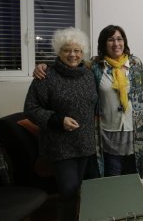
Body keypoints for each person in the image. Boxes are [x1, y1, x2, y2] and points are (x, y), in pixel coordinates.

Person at [32, 25, 143, 178]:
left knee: (137, 176)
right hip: (108, 132)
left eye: (119, 39)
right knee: (113, 178)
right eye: (110, 40)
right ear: (103, 44)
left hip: (136, 132)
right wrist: (43, 67)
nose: (116, 44)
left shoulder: (136, 63)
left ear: (124, 41)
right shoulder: (94, 65)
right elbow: (70, 64)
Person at [24, 27, 98, 221]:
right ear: (59, 51)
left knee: (87, 192)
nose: (72, 54)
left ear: (83, 53)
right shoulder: (46, 76)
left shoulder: (89, 74)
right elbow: (31, 108)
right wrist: (58, 120)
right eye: (67, 50)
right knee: (68, 193)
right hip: (60, 146)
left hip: (86, 144)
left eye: (77, 50)